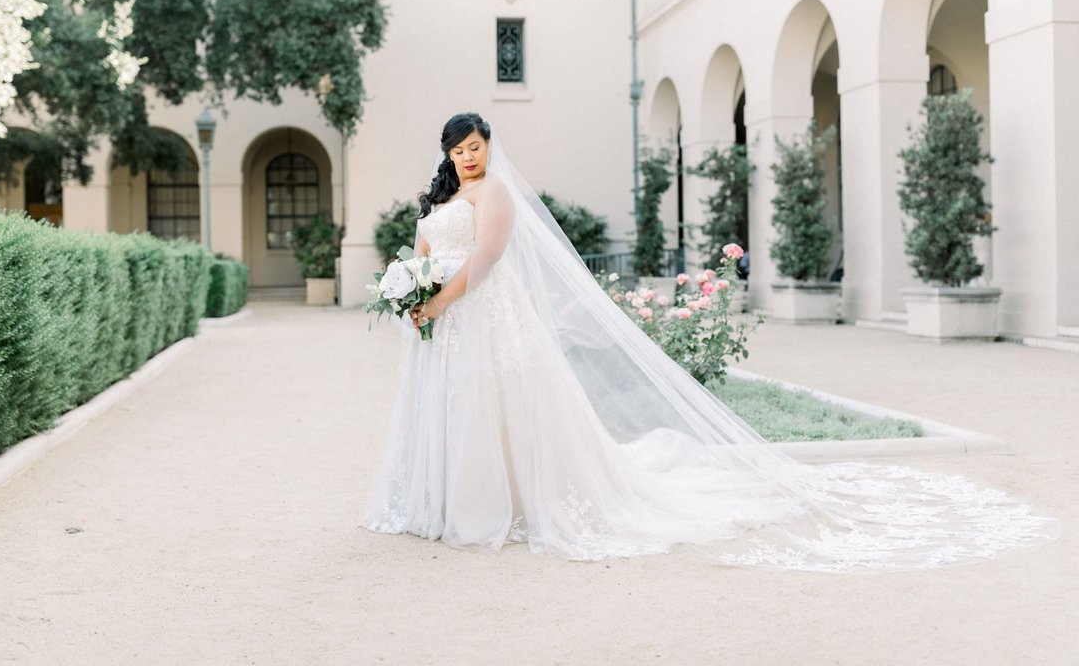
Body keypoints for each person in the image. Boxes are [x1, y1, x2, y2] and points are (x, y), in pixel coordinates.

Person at [358, 112, 1060, 571]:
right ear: (448, 155)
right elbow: (423, 255)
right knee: (453, 406)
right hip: (443, 325)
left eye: (476, 147)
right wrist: (411, 299)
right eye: (458, 150)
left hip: (485, 314)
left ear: (490, 147)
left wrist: (439, 302)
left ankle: (502, 505)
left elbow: (482, 266)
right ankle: (448, 503)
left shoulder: (496, 197)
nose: (469, 158)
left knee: (500, 406)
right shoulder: (441, 203)